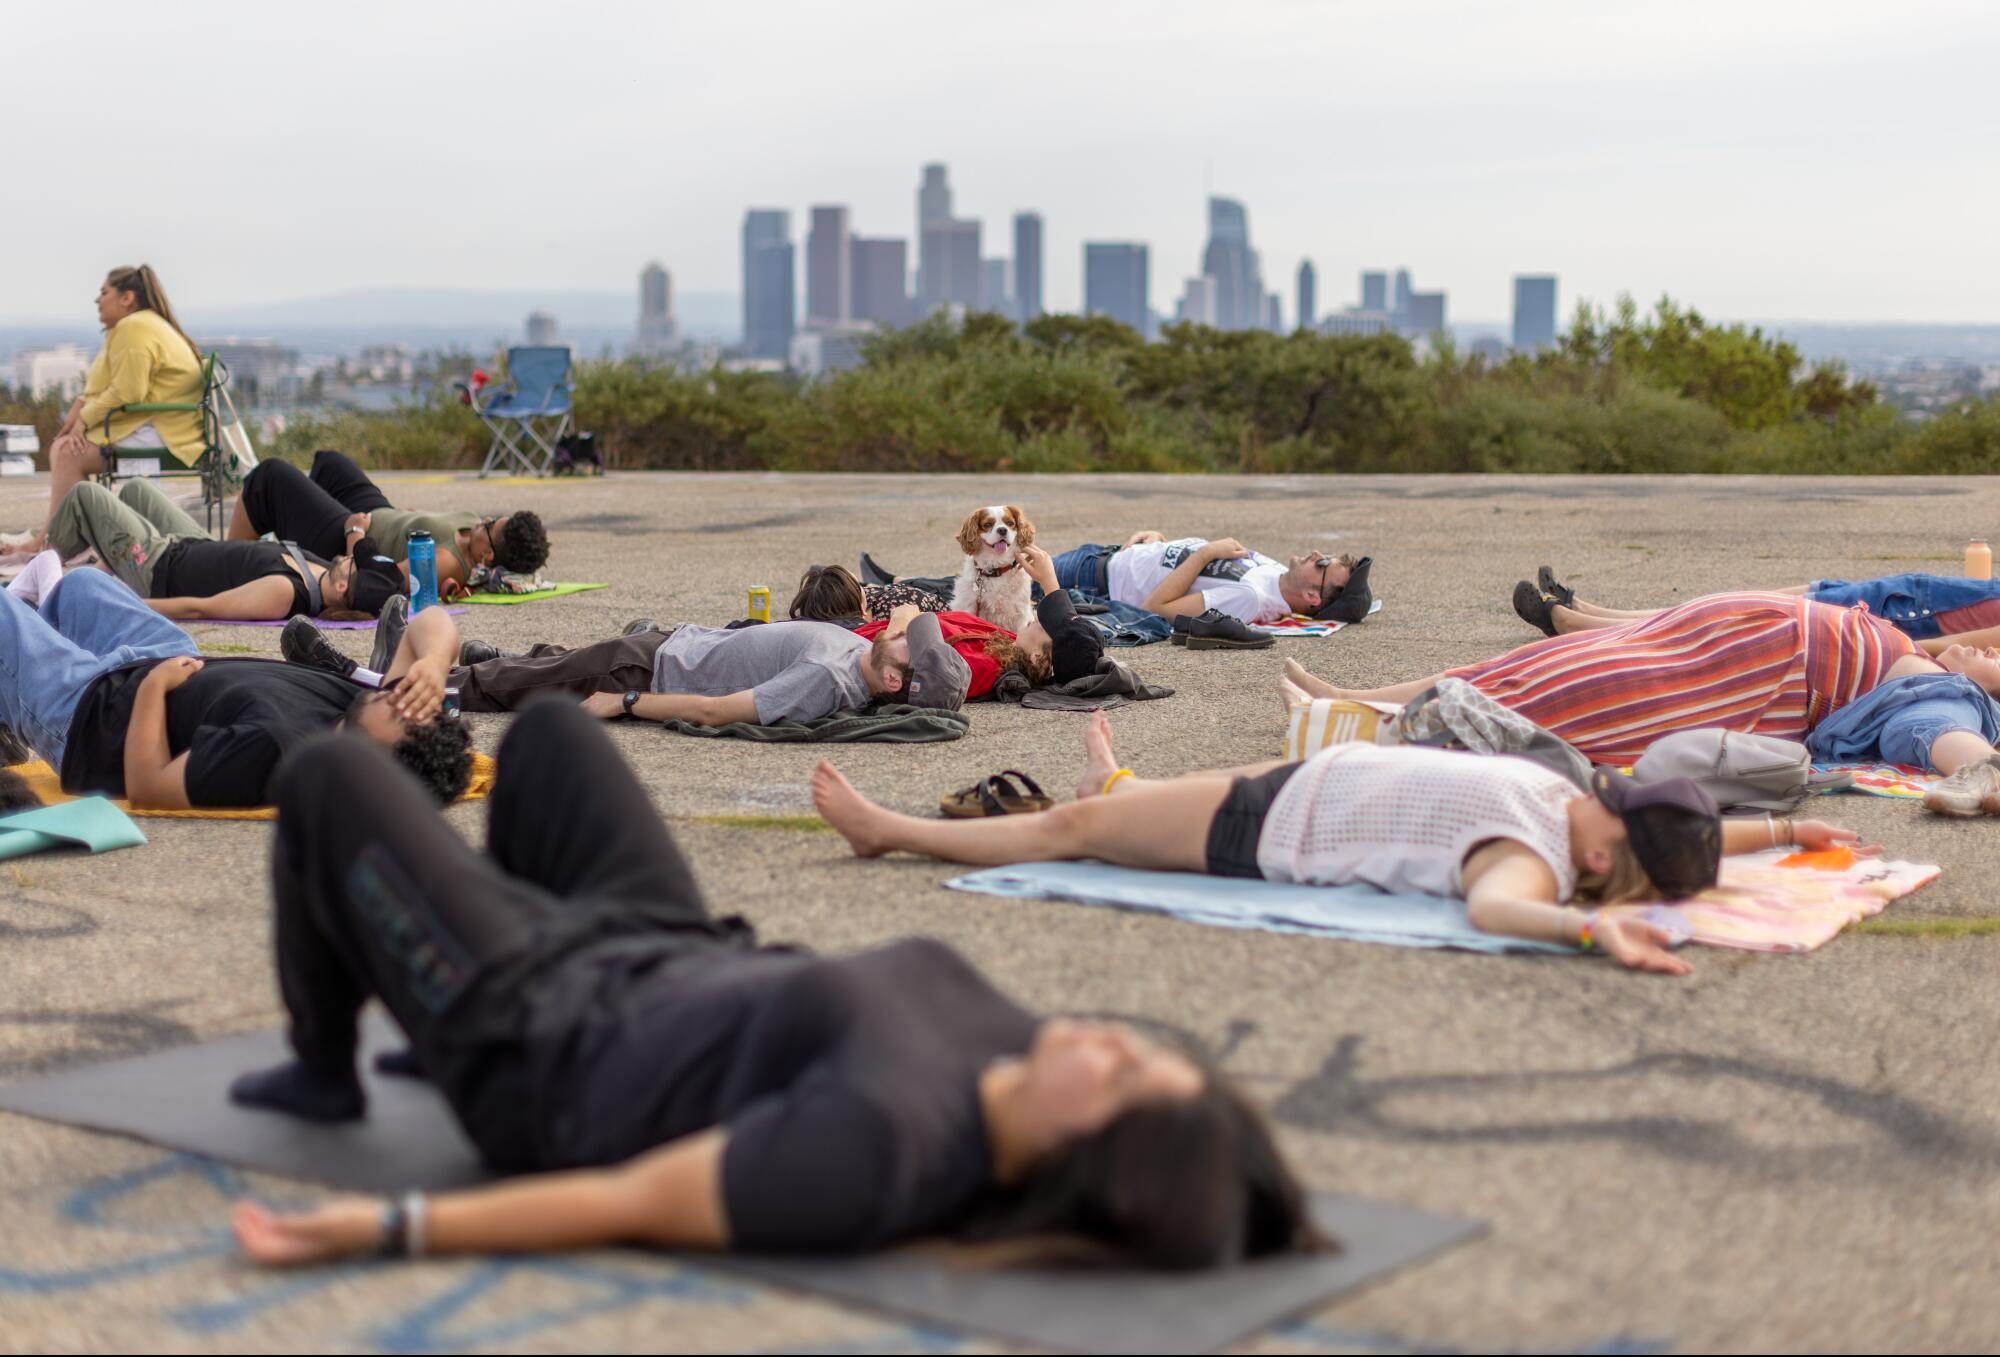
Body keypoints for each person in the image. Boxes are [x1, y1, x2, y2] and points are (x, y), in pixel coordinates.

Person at [226, 701, 1322, 1271]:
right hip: (664, 948)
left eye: (1123, 1075)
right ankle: (441, 980)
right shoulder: (1018, 1055)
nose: (1115, 1039)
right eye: (1146, 1050)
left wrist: (388, 1228)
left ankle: (329, 1067)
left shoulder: (880, 1146)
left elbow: (629, 1199)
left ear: (1084, 1157)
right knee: (555, 730)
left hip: (542, 1035)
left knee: (327, 774)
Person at [811, 713, 1871, 977]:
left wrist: (1592, 937)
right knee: (1118, 807)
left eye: (1613, 805)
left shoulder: (1531, 859)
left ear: (1599, 865)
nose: (1604, 788)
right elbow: (1676, 836)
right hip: (1299, 787)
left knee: (1075, 832)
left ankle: (885, 834)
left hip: (1266, 833)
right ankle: (1121, 789)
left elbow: (1498, 910)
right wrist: (1783, 828)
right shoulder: (1596, 823)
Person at [1286, 590, 2000, 816]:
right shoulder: (1923, 657)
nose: (1985, 650)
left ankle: (1367, 724)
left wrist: (1975, 775)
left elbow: (1947, 743)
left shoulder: (1942, 695)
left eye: (1998, 660)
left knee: (1580, 694)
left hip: (1758, 666)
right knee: (1543, 661)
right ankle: (1354, 699)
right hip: (1741, 631)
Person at [0, 568, 470, 809]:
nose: (402, 698)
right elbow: (427, 624)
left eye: (406, 716)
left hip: (95, 715)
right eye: (418, 701)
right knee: (80, 586)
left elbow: (148, 785)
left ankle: (23, 696)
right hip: (166, 657)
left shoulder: (275, 753)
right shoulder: (363, 708)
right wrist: (432, 663)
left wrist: (152, 690)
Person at [380, 607, 973, 722]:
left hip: (649, 673)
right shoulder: (869, 660)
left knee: (509, 685)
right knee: (544, 667)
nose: (899, 634)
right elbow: (900, 623)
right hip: (673, 645)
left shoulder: (828, 680)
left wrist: (628, 702)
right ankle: (399, 664)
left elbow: (716, 710)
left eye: (907, 648)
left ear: (896, 678)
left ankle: (387, 683)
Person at [4, 267, 209, 555]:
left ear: (126, 297)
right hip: (159, 424)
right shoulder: (140, 324)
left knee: (66, 454)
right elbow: (104, 385)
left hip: (164, 431)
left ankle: (54, 545)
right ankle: (57, 539)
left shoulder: (134, 327)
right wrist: (80, 412)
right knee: (65, 448)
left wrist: (84, 419)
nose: (97, 300)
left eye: (104, 293)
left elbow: (129, 391)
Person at [44, 478, 403, 621]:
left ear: (343, 587)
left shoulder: (284, 592)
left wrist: (120, 605)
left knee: (84, 496)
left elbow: (200, 608)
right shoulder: (328, 574)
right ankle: (99, 555)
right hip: (193, 544)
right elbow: (356, 557)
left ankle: (43, 560)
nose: (346, 556)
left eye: (352, 564)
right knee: (137, 489)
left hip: (161, 570)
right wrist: (356, 531)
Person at [862, 531, 1374, 627]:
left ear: (1312, 595)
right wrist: (1154, 544)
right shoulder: (1268, 574)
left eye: (1323, 563)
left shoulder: (1248, 599)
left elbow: (1158, 609)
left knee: (992, 579)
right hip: (1111, 555)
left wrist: (1205, 555)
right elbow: (1187, 562)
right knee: (988, 575)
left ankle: (889, 590)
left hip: (1095, 580)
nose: (1315, 554)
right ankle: (898, 583)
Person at [229, 450, 549, 597]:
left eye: (490, 526)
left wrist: (354, 534)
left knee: (269, 476)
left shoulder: (446, 562)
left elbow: (374, 583)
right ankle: (292, 538)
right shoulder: (471, 530)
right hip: (377, 512)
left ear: (488, 556)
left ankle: (231, 563)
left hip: (347, 539)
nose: (486, 519)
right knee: (330, 463)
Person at [791, 554, 1106, 697]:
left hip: (850, 639)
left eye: (1045, 625)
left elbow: (921, 663)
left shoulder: (986, 668)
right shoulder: (1010, 642)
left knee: (828, 583)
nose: (1039, 618)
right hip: (873, 624)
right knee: (828, 578)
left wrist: (904, 615)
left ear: (1039, 659)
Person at [1518, 565, 2000, 653]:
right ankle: (1594, 614)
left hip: (1910, 614)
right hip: (1917, 599)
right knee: (1755, 603)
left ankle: (1578, 624)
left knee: (1748, 615)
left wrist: (1909, 652)